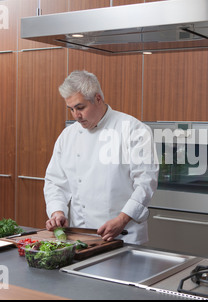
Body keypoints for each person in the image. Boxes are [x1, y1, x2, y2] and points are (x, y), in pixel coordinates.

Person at [44, 70, 159, 244]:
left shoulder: (133, 130)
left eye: (80, 107)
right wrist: (57, 212)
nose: (76, 115)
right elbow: (55, 181)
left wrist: (122, 219)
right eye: (71, 109)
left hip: (123, 236)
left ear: (98, 99)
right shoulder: (68, 136)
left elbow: (145, 183)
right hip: (81, 237)